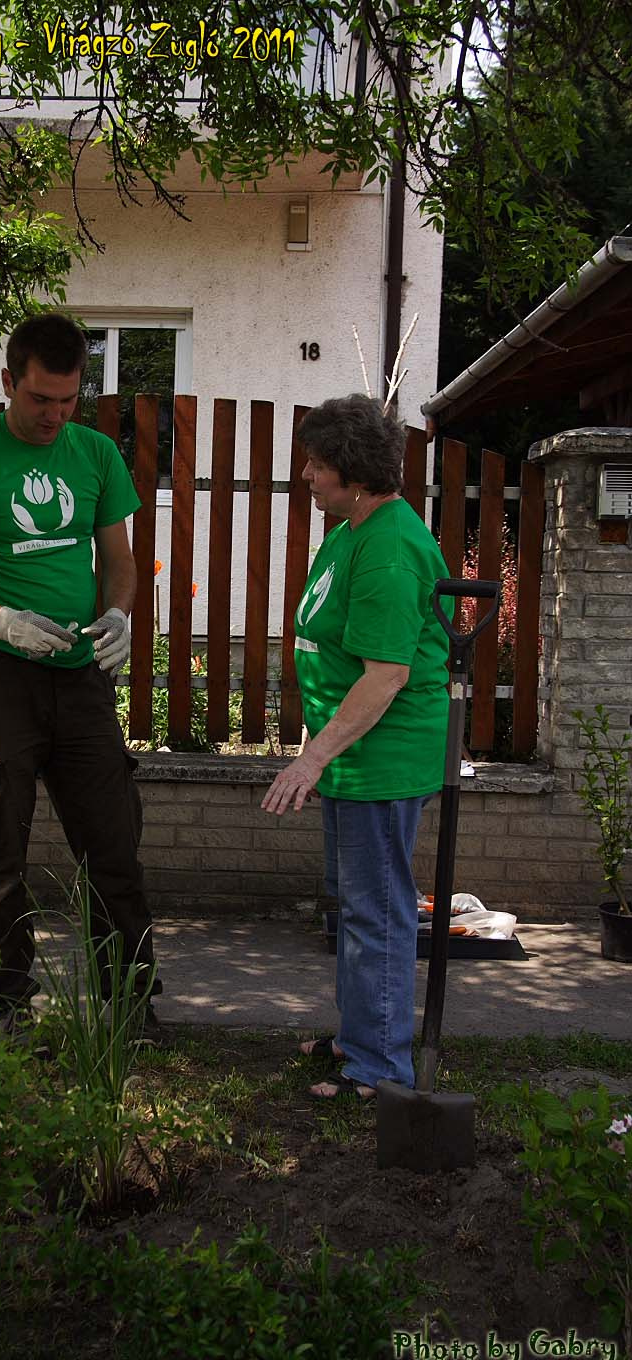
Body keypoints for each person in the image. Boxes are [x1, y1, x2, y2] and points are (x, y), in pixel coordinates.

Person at [0, 313, 161, 1039]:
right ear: (7, 384)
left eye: (67, 399)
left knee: (112, 846)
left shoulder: (95, 455)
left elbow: (119, 564)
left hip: (79, 674)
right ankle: (6, 1010)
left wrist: (117, 616)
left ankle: (131, 1010)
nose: (55, 415)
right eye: (39, 399)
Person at [261, 394, 450, 1101]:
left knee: (376, 910)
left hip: (382, 758)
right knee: (353, 904)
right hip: (350, 756)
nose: (305, 475)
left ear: (354, 476)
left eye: (316, 465)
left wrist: (310, 757)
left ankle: (378, 1067)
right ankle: (359, 1036)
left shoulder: (390, 549)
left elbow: (387, 674)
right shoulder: (350, 528)